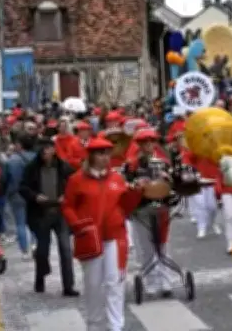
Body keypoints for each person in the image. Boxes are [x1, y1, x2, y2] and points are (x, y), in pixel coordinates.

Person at [61, 137, 145, 331]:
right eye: (100, 154)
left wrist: (136, 194)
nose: (105, 157)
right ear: (90, 156)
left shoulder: (116, 178)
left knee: (115, 283)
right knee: (93, 286)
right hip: (90, 238)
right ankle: (95, 325)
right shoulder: (76, 180)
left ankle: (117, 326)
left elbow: (125, 207)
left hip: (115, 238)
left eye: (107, 153)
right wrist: (78, 225)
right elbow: (67, 206)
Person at [20, 138, 77, 295]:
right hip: (41, 213)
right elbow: (23, 187)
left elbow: (75, 182)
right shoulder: (32, 168)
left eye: (50, 149)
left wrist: (66, 196)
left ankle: (68, 286)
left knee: (66, 249)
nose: (47, 152)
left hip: (60, 212)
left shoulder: (63, 166)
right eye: (44, 149)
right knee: (42, 250)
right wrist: (35, 196)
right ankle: (40, 278)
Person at [122, 128, 173, 296]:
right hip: (141, 208)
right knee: (145, 247)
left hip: (162, 208)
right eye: (144, 142)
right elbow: (126, 185)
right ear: (139, 145)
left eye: (151, 141)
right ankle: (151, 282)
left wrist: (169, 179)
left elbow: (173, 183)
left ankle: (166, 281)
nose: (148, 145)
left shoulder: (164, 162)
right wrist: (136, 185)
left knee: (163, 245)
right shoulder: (131, 165)